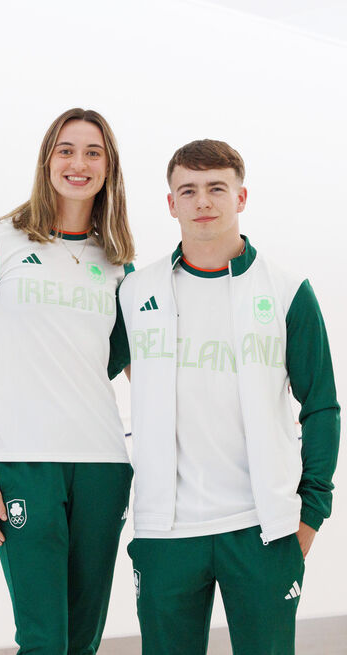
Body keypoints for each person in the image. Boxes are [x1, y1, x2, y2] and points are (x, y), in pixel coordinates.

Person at [119, 140, 339, 654]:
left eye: (217, 187)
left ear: (241, 197)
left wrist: (309, 513)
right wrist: (5, 379)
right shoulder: (135, 291)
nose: (203, 201)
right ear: (171, 203)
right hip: (164, 532)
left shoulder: (287, 291)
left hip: (262, 529)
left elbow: (322, 407)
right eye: (188, 190)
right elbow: (83, 365)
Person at [0, 108, 135, 654]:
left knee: (82, 641)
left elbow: (119, 367)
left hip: (102, 463)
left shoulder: (118, 263)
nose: (79, 163)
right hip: (22, 461)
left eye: (93, 153)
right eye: (67, 150)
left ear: (108, 168)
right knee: (43, 639)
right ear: (47, 159)